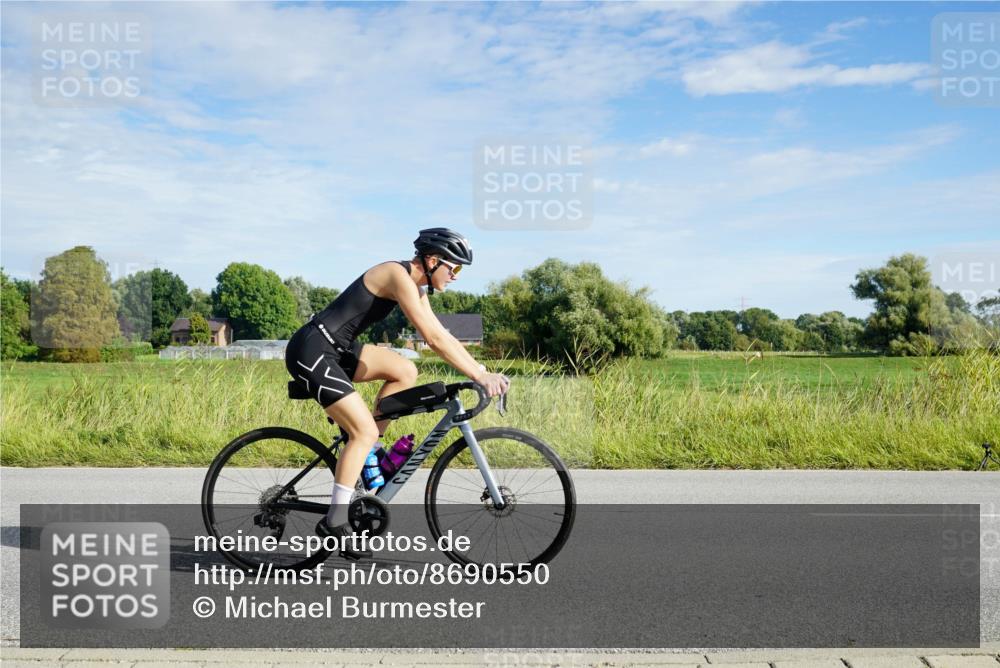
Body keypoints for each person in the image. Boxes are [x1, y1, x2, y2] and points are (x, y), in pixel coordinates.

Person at [283, 228, 509, 558]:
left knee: (405, 370)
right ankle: (335, 520)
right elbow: (432, 338)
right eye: (454, 268)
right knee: (362, 431)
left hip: (338, 350)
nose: (456, 276)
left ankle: (366, 455)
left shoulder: (416, 287)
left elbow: (442, 334)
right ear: (432, 261)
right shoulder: (396, 274)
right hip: (313, 350)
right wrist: (478, 374)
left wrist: (483, 372)